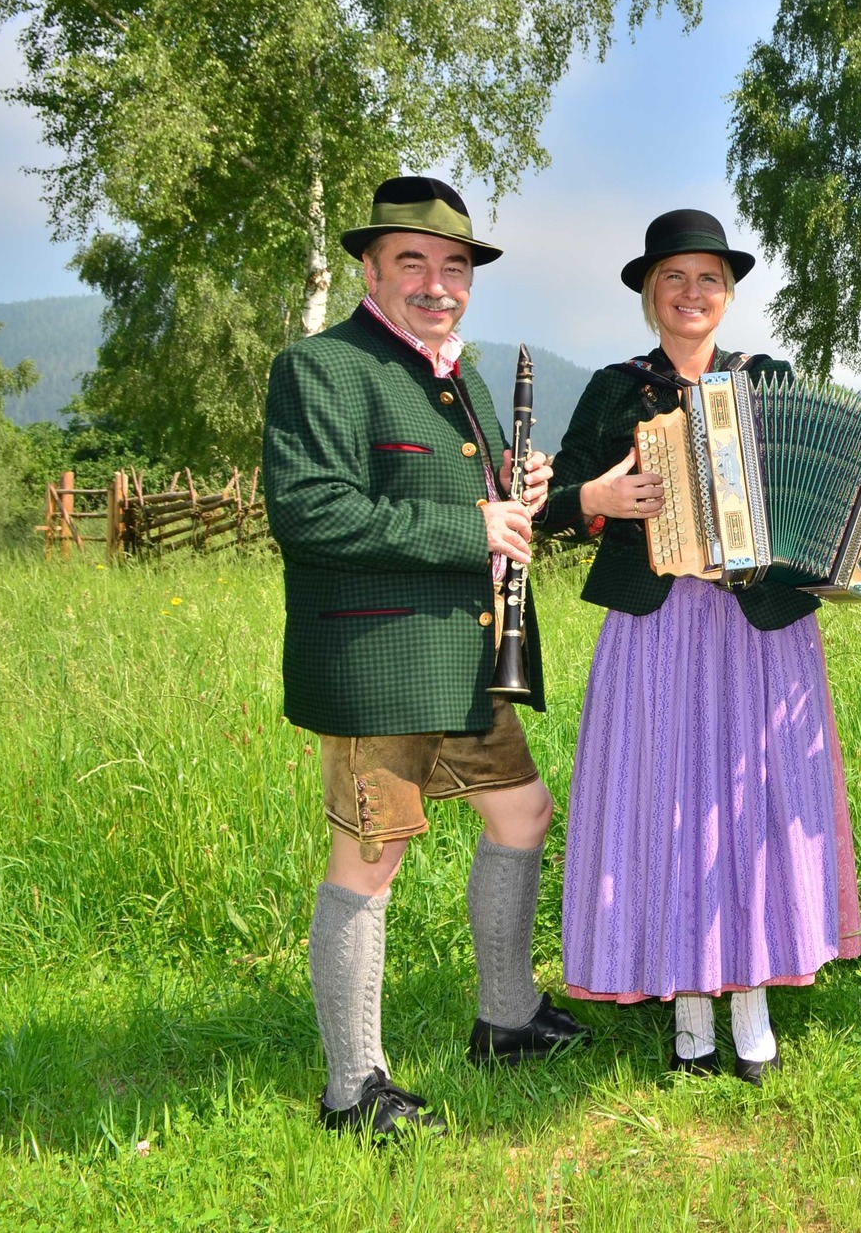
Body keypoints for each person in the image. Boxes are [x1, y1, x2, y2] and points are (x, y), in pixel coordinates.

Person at [542, 210, 861, 1083]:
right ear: (652, 292)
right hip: (655, 627)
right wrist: (601, 494)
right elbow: (554, 504)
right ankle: (688, 1015)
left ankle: (751, 1001)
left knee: (750, 809)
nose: (692, 293)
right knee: (667, 804)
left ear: (728, 293)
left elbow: (832, 501)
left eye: (709, 278)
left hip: (763, 631)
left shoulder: (770, 379)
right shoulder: (617, 388)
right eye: (674, 278)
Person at [263, 175, 589, 1140]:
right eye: (414, 262)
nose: (437, 282)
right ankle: (352, 1088)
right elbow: (312, 512)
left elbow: (475, 498)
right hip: (377, 660)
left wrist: (516, 483)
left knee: (524, 812)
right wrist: (470, 521)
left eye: (455, 265)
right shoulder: (322, 367)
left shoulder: (463, 375)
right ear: (370, 266)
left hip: (466, 656)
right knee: (372, 856)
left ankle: (507, 1015)